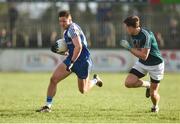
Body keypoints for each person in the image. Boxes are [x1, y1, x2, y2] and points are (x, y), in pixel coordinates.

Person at [36, 10, 103, 112]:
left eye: (64, 21)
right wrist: (62, 52)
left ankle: (95, 80)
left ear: (70, 20)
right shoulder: (66, 31)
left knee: (83, 90)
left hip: (82, 61)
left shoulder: (72, 29)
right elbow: (71, 48)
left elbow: (79, 47)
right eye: (60, 21)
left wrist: (71, 62)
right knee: (53, 79)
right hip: (72, 58)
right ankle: (47, 106)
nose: (62, 23)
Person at [120, 16, 164, 113]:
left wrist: (129, 48)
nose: (126, 29)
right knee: (128, 83)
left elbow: (144, 56)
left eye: (127, 27)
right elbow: (142, 56)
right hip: (142, 63)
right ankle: (148, 85)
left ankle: (155, 106)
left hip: (155, 65)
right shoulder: (132, 33)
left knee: (153, 94)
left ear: (131, 27)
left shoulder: (146, 35)